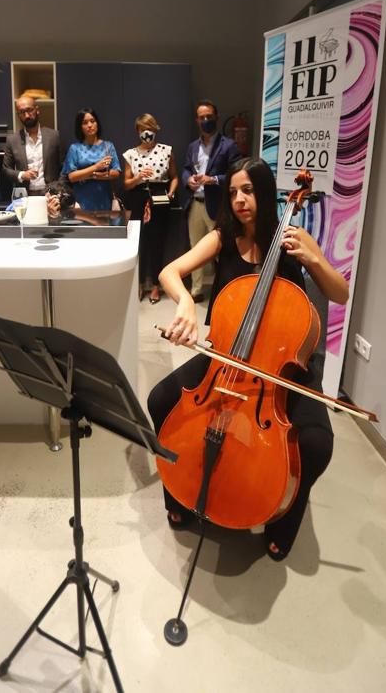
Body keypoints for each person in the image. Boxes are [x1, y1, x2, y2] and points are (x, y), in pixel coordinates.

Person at [148, 157, 349, 561]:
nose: (240, 200)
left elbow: (340, 293)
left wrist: (312, 258)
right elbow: (171, 271)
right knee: (160, 399)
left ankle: (282, 516)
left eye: (249, 190)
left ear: (265, 192)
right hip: (227, 357)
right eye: (234, 192)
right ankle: (179, 488)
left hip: (279, 367)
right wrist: (186, 301)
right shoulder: (222, 237)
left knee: (315, 444)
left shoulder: (293, 239)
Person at [182, 100, 241, 302]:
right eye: (202, 117)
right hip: (195, 204)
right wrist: (187, 179)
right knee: (195, 249)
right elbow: (186, 169)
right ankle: (196, 290)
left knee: (221, 250)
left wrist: (213, 180)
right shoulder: (192, 146)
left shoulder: (229, 145)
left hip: (217, 205)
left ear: (216, 117)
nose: (206, 120)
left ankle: (224, 290)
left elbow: (236, 173)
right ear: (197, 120)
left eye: (209, 116)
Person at [123, 113, 178, 303]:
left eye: (149, 128)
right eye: (142, 128)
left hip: (160, 197)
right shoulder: (130, 153)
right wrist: (139, 177)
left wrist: (170, 193)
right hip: (138, 197)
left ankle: (155, 285)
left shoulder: (166, 150)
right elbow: (127, 184)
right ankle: (138, 285)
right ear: (137, 131)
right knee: (139, 244)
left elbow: (175, 176)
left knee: (157, 243)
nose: (146, 132)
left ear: (155, 129)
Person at [62, 107, 120, 211]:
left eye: (92, 121)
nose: (89, 125)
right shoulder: (74, 148)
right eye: (85, 123)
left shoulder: (108, 146)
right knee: (83, 226)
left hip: (104, 199)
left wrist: (92, 176)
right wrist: (96, 167)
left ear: (97, 123)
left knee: (105, 226)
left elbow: (116, 172)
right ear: (80, 127)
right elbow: (72, 177)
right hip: (81, 201)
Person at [3, 95, 61, 194]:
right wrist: (22, 175)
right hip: (25, 194)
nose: (27, 115)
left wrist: (58, 187)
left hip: (50, 194)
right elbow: (6, 169)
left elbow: (64, 166)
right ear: (18, 115)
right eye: (22, 112)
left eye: (29, 110)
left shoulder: (53, 136)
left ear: (37, 110)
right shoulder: (12, 140)